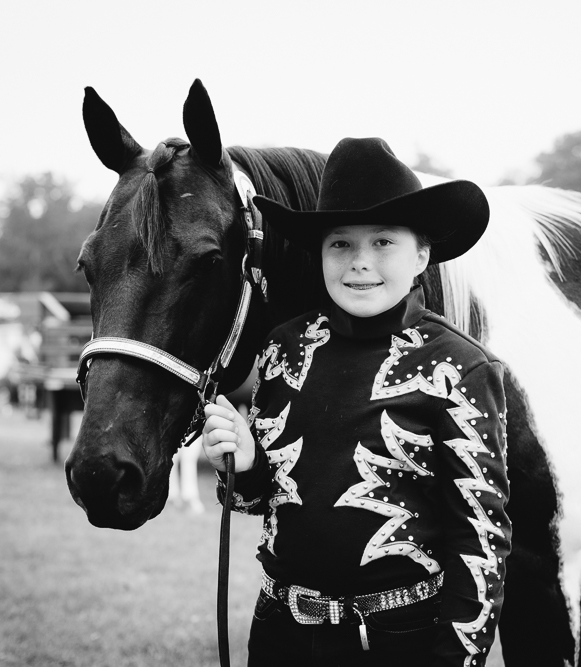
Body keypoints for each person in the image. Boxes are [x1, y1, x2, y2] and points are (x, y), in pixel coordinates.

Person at [202, 137, 511, 667]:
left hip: (401, 640)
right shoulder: (282, 349)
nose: (360, 263)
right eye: (340, 244)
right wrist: (247, 468)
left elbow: (481, 535)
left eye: (384, 242)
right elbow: (262, 504)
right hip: (282, 634)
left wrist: (457, 659)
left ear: (422, 254)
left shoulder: (458, 367)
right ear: (319, 253)